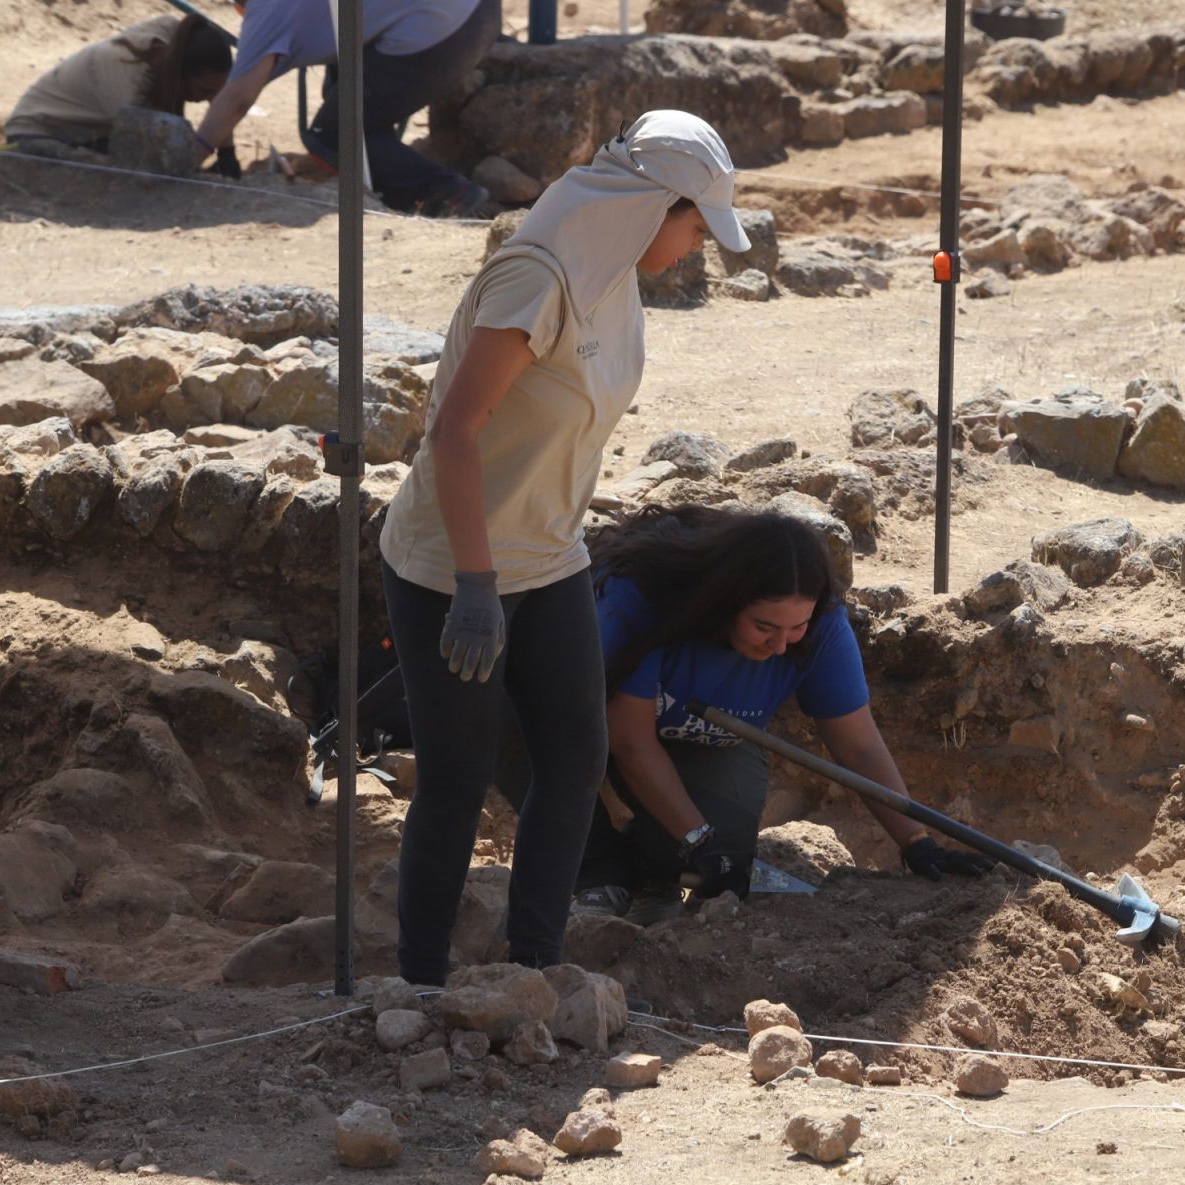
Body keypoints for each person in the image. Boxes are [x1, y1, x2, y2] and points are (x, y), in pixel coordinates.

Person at [377, 110, 754, 984]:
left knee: (578, 757)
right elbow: (457, 434)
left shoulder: (611, 271)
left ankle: (533, 968)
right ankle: (422, 983)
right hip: (453, 566)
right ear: (651, 206)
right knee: (458, 779)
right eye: (694, 224)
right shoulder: (534, 280)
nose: (697, 245)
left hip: (548, 554)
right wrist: (475, 585)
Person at [572, 506, 996, 923]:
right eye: (763, 627)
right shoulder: (645, 600)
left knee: (727, 854)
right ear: (725, 601)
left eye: (796, 629)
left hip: (696, 740)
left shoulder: (824, 627)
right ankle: (594, 866)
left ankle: (649, 869)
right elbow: (630, 741)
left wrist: (916, 841)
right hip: (588, 720)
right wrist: (696, 838)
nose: (779, 647)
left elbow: (859, 746)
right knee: (548, 737)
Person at [193, 0, 498, 215]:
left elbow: (236, 97)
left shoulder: (268, 10)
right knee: (344, 95)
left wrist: (188, 156)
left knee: (335, 132)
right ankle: (384, 182)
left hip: (449, 31)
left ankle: (449, 194)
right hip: (477, 12)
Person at [5, 14, 233, 154]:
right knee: (115, 172)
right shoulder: (134, 89)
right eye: (204, 91)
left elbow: (217, 93)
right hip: (37, 132)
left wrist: (226, 151)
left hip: (94, 129)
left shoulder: (177, 35)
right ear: (181, 75)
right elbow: (147, 157)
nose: (207, 99)